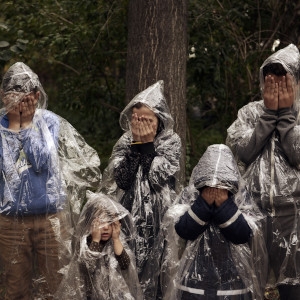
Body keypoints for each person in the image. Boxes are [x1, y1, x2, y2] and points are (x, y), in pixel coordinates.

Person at [0, 62, 101, 299]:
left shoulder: (49, 123)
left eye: (25, 97)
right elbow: (8, 173)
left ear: (36, 96)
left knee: (55, 284)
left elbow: (41, 162)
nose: (19, 103)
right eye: (12, 96)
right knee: (15, 287)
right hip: (11, 222)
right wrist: (14, 125)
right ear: (3, 97)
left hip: (50, 218)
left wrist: (25, 126)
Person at [226, 43, 300, 299]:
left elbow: (297, 155)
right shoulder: (249, 113)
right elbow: (242, 152)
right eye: (271, 78)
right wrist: (269, 115)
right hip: (253, 213)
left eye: (283, 77)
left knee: (292, 286)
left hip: (294, 216)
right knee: (252, 284)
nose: (276, 84)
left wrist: (288, 118)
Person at [100, 80, 182, 299]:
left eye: (147, 120)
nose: (140, 124)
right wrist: (136, 146)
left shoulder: (171, 141)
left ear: (159, 120)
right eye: (136, 119)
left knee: (157, 273)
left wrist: (146, 145)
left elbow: (157, 178)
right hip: (128, 217)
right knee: (128, 268)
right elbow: (122, 179)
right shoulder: (125, 142)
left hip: (159, 219)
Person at [164, 144, 266, 300]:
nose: (216, 187)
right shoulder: (190, 195)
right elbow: (183, 230)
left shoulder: (241, 198)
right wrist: (203, 203)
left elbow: (244, 235)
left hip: (232, 282)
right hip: (194, 281)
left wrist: (224, 206)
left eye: (222, 184)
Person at [55, 191, 143, 300]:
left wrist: (116, 239)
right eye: (100, 222)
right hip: (91, 294)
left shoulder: (115, 241)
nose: (106, 227)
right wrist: (96, 240)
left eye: (110, 223)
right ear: (90, 224)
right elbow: (87, 267)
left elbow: (125, 265)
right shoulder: (86, 243)